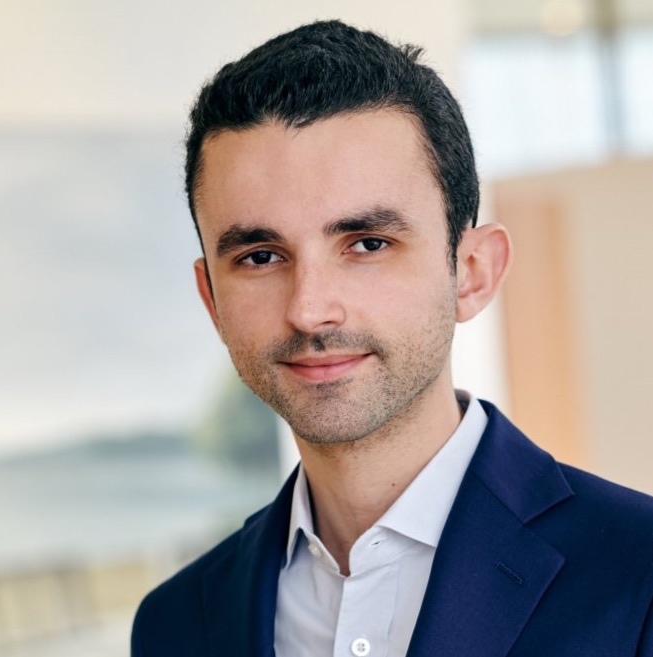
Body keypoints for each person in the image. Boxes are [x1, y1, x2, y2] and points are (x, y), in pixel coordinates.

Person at [131, 20, 653, 657]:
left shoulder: (640, 576)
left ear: (473, 272)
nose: (309, 310)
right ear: (212, 298)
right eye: (260, 257)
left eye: (368, 244)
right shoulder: (174, 624)